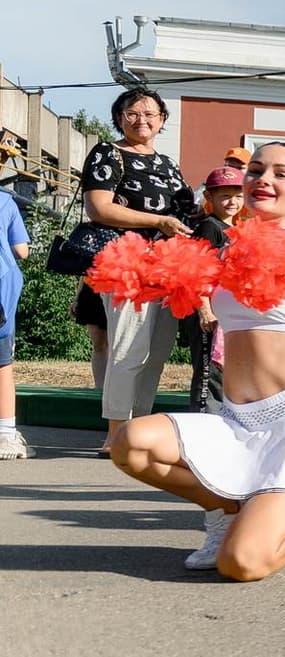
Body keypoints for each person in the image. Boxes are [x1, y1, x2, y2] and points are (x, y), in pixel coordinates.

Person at [109, 142, 285, 579]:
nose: (264, 179)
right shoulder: (225, 254)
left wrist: (280, 255)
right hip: (236, 420)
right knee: (130, 444)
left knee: (242, 563)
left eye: (282, 174)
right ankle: (226, 512)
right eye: (257, 170)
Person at [84, 88, 194, 450]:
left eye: (151, 113)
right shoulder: (107, 153)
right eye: (133, 112)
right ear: (119, 117)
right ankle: (115, 432)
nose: (141, 119)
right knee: (127, 348)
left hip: (168, 266)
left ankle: (139, 428)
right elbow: (99, 208)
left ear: (162, 121)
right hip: (126, 262)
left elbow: (186, 211)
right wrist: (158, 221)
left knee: (157, 351)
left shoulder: (168, 164)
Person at [185, 167, 244, 413]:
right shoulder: (209, 226)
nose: (233, 202)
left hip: (228, 310)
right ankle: (202, 420)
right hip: (210, 312)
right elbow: (196, 271)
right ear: (209, 198)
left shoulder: (237, 227)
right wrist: (205, 310)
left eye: (238, 195)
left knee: (225, 369)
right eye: (225, 196)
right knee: (209, 372)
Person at [0, 190, 30, 459]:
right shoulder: (5, 200)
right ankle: (7, 433)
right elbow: (22, 250)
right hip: (1, 293)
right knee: (2, 365)